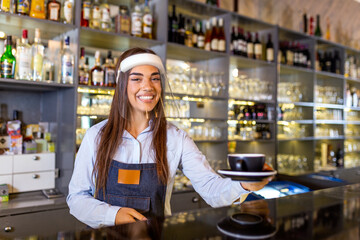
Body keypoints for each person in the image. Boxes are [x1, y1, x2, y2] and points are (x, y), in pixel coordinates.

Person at [67, 47, 272, 228]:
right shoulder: (96, 136)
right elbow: (76, 199)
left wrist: (244, 185)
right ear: (122, 85)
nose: (148, 86)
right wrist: (114, 214)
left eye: (154, 78)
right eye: (137, 78)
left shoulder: (176, 138)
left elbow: (211, 188)